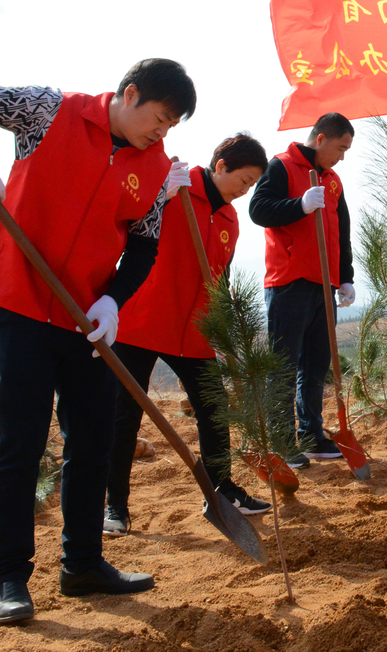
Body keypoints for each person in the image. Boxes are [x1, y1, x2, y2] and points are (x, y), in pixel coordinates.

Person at [0, 58, 197, 624]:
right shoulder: (50, 110)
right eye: (159, 117)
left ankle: (83, 563)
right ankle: (10, 575)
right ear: (129, 94)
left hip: (86, 318)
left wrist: (113, 300)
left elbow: (144, 246)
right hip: (23, 302)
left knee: (93, 441)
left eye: (172, 125)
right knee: (22, 440)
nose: (163, 132)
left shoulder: (155, 168)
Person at [104, 133, 272, 539]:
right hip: (143, 321)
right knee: (124, 416)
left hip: (196, 331)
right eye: (243, 180)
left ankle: (220, 489)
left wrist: (225, 330)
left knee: (214, 412)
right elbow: (125, 221)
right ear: (220, 167)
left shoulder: (230, 219)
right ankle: (115, 505)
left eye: (252, 185)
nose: (245, 190)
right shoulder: (174, 188)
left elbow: (221, 277)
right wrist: (158, 193)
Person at [249, 113, 356, 462]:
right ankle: (281, 440)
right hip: (289, 282)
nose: (342, 156)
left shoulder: (334, 181)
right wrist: (300, 205)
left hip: (324, 284)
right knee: (284, 365)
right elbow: (259, 210)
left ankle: (310, 434)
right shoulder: (281, 167)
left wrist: (346, 276)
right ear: (321, 139)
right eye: (340, 148)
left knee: (316, 364)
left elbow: (341, 231)